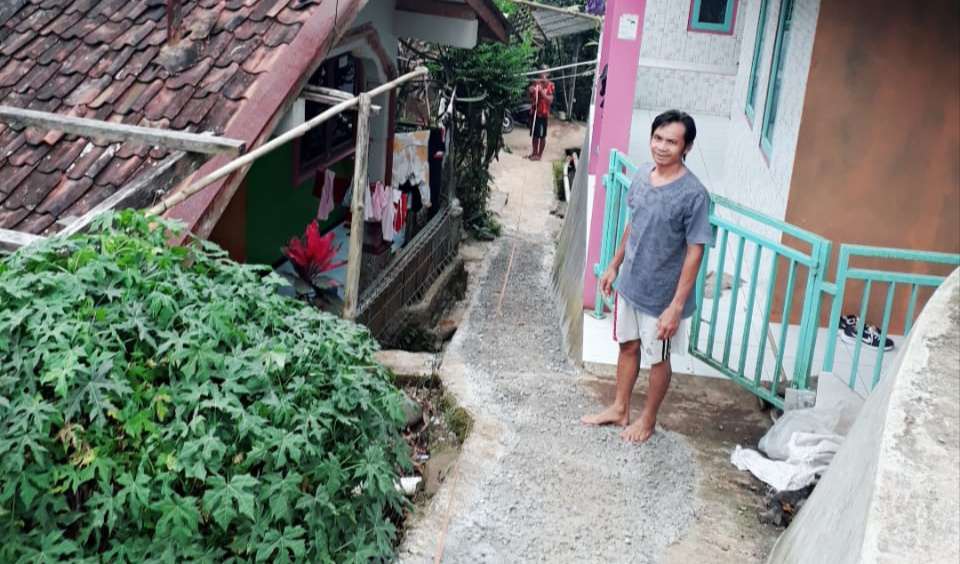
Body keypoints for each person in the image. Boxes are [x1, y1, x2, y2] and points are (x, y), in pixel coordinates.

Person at [581, 110, 715, 443]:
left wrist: (676, 306)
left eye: (672, 142)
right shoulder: (642, 175)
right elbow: (634, 224)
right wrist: (613, 264)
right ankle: (619, 408)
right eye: (658, 138)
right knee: (627, 346)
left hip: (662, 297)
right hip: (631, 284)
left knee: (658, 359)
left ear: (687, 147)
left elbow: (695, 251)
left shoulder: (694, 195)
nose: (662, 147)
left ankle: (648, 420)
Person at [527, 65, 554, 161]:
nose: (543, 73)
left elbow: (550, 100)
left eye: (545, 71)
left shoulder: (550, 85)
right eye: (542, 70)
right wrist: (530, 91)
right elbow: (530, 97)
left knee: (542, 136)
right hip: (534, 113)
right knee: (534, 135)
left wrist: (541, 91)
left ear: (548, 73)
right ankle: (534, 153)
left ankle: (539, 155)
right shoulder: (535, 83)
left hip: (543, 114)